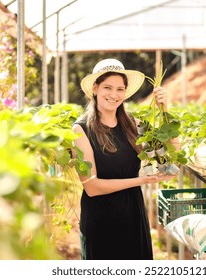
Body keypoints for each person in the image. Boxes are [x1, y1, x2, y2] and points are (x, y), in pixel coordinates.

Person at [72, 58, 176, 260]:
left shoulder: (134, 125)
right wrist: (142, 181)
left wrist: (165, 109)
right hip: (100, 220)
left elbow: (169, 152)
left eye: (120, 89)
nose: (114, 94)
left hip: (133, 215)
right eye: (107, 87)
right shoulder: (81, 129)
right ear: (95, 88)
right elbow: (91, 187)